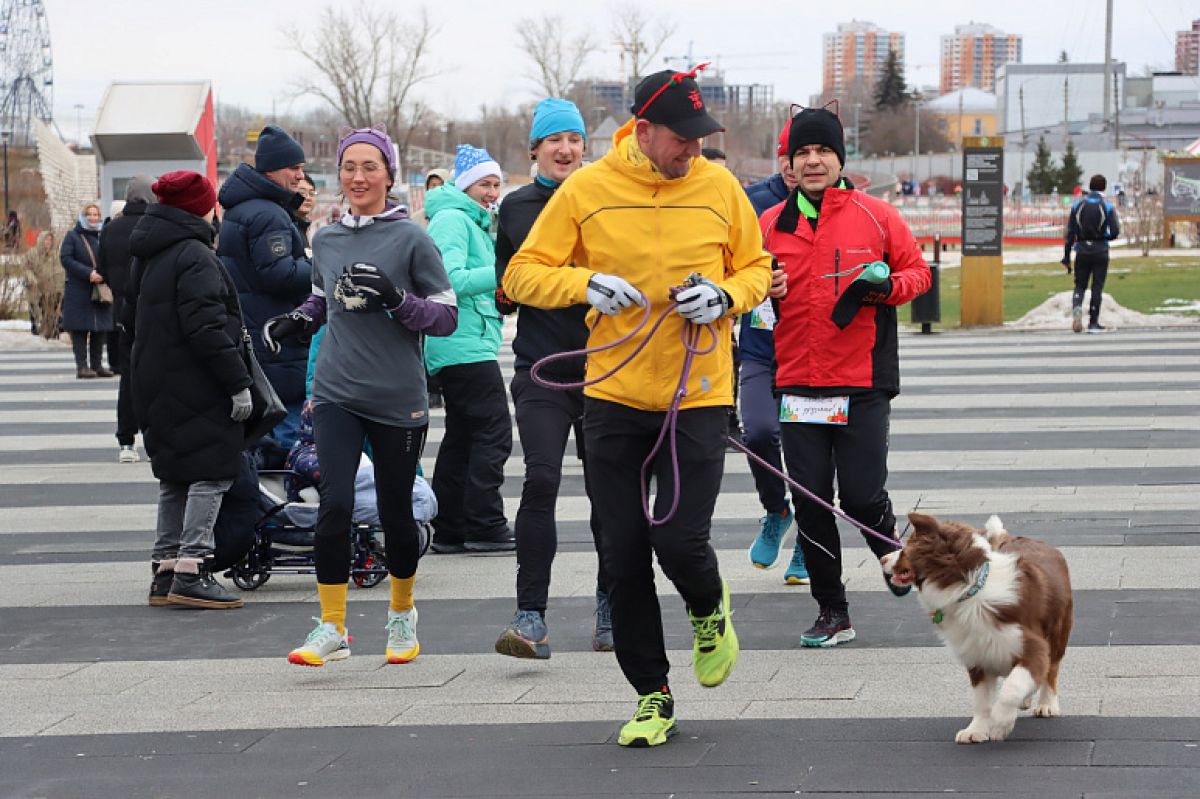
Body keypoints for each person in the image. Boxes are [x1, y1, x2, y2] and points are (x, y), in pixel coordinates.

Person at [503, 68, 772, 747]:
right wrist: (583, 282)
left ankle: (709, 609)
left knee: (678, 538)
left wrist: (727, 296)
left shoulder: (719, 187)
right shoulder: (587, 189)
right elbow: (521, 274)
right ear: (643, 132)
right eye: (682, 139)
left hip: (698, 392)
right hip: (613, 395)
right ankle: (653, 693)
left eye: (699, 138)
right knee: (621, 552)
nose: (693, 150)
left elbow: (758, 267)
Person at [260, 126, 457, 667]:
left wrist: (396, 299)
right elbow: (323, 299)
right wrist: (296, 321)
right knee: (335, 504)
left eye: (370, 167)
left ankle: (401, 613)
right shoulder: (326, 238)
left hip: (397, 396)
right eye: (349, 167)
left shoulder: (412, 239)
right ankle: (332, 626)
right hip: (336, 392)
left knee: (395, 510)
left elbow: (445, 316)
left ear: (390, 175)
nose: (358, 177)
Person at [765, 106, 931, 648]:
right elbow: (738, 283)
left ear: (840, 159)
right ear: (789, 164)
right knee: (811, 500)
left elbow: (918, 274)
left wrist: (884, 287)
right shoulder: (769, 226)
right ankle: (832, 610)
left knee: (860, 495)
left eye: (823, 152)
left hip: (862, 379)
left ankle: (892, 552)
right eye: (802, 153)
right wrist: (760, 289)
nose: (813, 161)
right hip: (797, 381)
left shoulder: (878, 215)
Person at [491, 98, 612, 659]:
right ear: (534, 149)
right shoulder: (515, 208)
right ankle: (530, 615)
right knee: (540, 480)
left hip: (608, 370)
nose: (566, 150)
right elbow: (507, 286)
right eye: (554, 140)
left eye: (574, 139)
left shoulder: (604, 201)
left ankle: (612, 607)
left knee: (610, 496)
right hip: (541, 370)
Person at [127, 170, 249, 609]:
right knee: (212, 473)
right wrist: (238, 383)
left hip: (155, 379)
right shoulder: (194, 255)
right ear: (200, 207)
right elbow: (207, 328)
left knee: (175, 475)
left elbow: (130, 319)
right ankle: (192, 568)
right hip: (196, 382)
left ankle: (164, 570)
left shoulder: (148, 252)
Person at [423, 144, 515, 554]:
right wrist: (501, 273)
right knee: (493, 432)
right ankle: (484, 523)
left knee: (463, 436)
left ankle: (451, 526)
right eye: (483, 183)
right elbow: (447, 280)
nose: (491, 192)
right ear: (465, 186)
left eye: (496, 184)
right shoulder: (452, 219)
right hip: (460, 342)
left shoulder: (473, 222)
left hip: (466, 339)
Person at [217, 124, 312, 448]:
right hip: (275, 334)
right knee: (286, 426)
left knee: (265, 428)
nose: (301, 176)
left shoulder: (243, 208)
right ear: (272, 169)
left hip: (256, 328)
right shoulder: (268, 215)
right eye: (294, 168)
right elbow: (279, 274)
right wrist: (318, 265)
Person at [742, 122, 807, 584]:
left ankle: (810, 540)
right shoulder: (751, 201)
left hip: (810, 347)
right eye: (788, 155)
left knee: (809, 451)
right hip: (759, 343)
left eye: (803, 154)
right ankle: (776, 509)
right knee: (759, 431)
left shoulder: (835, 205)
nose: (794, 165)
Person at [99, 176, 155, 463]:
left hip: (123, 310)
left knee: (128, 376)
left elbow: (102, 269)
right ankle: (157, 435)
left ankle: (126, 440)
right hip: (155, 310)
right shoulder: (155, 226)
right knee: (160, 374)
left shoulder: (111, 229)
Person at [60, 201, 114, 378]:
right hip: (79, 289)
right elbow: (66, 259)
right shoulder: (73, 236)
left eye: (96, 214)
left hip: (100, 288)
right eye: (89, 214)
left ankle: (97, 365)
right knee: (80, 329)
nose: (93, 217)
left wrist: (104, 274)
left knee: (99, 329)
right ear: (83, 216)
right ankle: (82, 366)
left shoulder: (102, 235)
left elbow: (109, 258)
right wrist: (88, 273)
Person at [1062, 173, 1120, 334]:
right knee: (1097, 286)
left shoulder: (1077, 206)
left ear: (1090, 186)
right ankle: (1093, 322)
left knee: (1080, 285)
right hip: (1100, 249)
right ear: (1104, 187)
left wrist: (1066, 256)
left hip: (1081, 249)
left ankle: (1077, 308)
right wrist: (1104, 237)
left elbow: (1070, 233)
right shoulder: (1107, 206)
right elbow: (1115, 231)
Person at [23, 231, 63, 339]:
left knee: (49, 310)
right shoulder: (32, 253)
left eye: (50, 240)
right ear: (41, 240)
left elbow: (59, 271)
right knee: (35, 307)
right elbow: (26, 268)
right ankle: (35, 327)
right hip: (35, 286)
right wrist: (32, 278)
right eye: (46, 239)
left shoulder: (54, 255)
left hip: (49, 288)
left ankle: (49, 329)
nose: (48, 242)